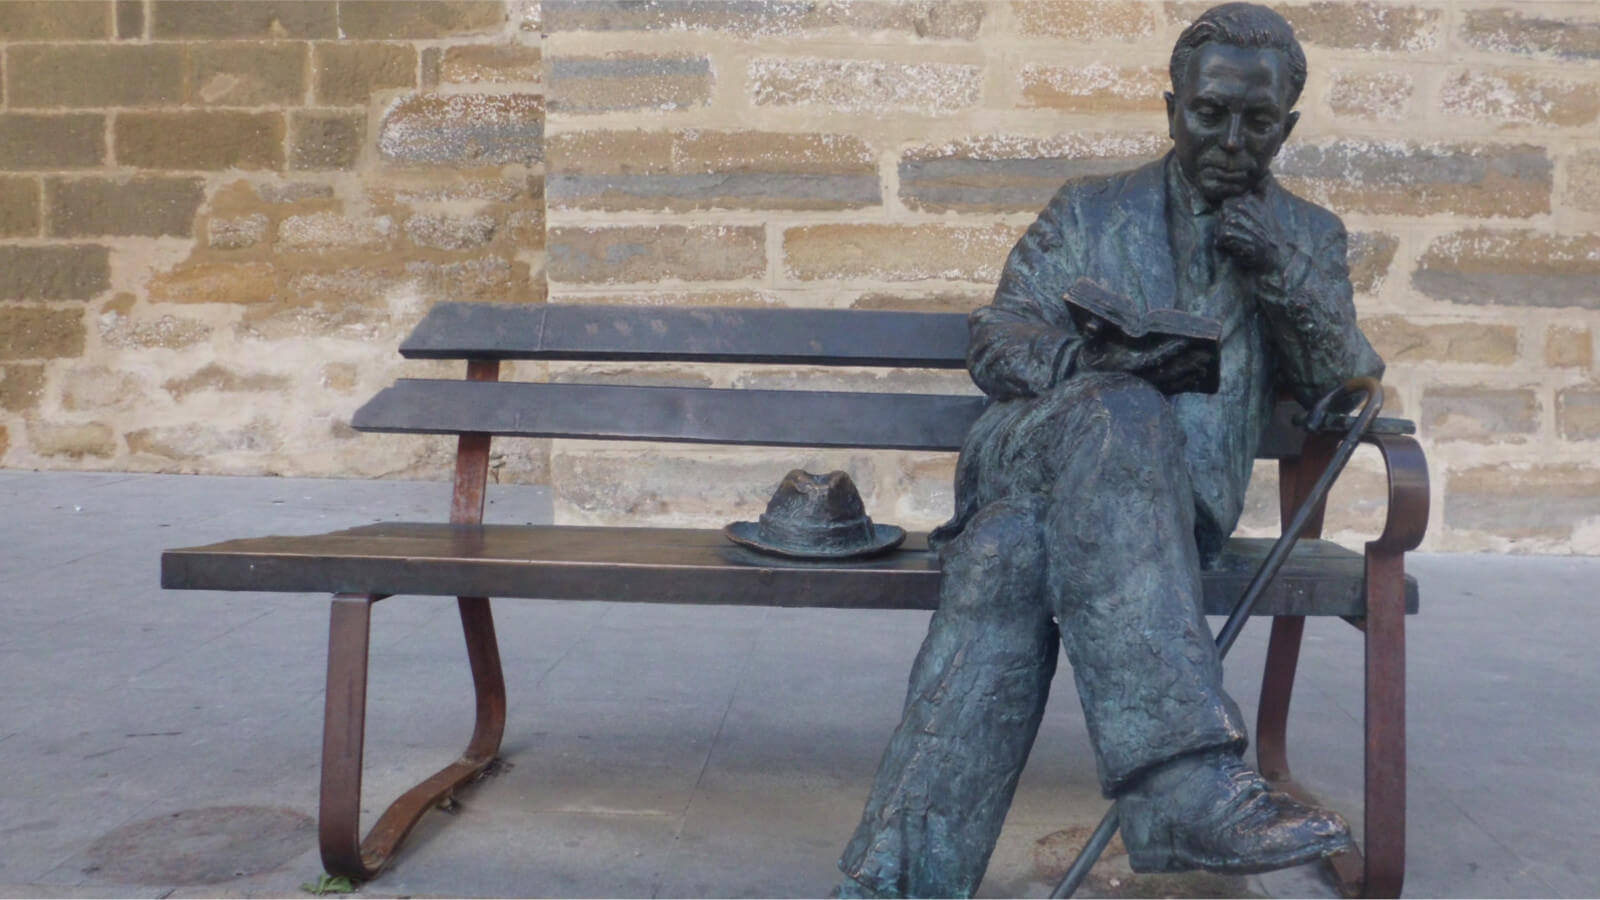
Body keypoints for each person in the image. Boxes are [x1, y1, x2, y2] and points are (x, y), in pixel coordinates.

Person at [836, 4, 1385, 897]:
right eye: (1210, 114)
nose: (1232, 139)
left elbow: (1343, 389)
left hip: (1156, 523)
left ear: (1288, 126)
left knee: (1008, 560)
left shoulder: (1308, 238)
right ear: (1173, 108)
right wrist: (1081, 360)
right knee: (1123, 408)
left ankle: (894, 880)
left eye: (1257, 122)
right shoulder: (1091, 208)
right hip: (1030, 453)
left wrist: (1280, 270)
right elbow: (997, 335)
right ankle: (1181, 782)